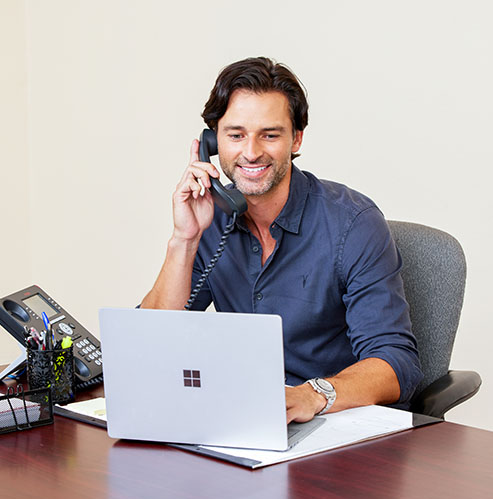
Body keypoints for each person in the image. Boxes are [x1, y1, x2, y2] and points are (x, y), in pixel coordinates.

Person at [140, 57, 422, 423]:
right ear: (211, 142)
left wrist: (313, 395)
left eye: (269, 135)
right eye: (236, 134)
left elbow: (397, 361)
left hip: (331, 424)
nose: (252, 152)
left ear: (296, 138)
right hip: (243, 420)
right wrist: (184, 239)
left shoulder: (353, 223)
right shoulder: (209, 218)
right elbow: (148, 346)